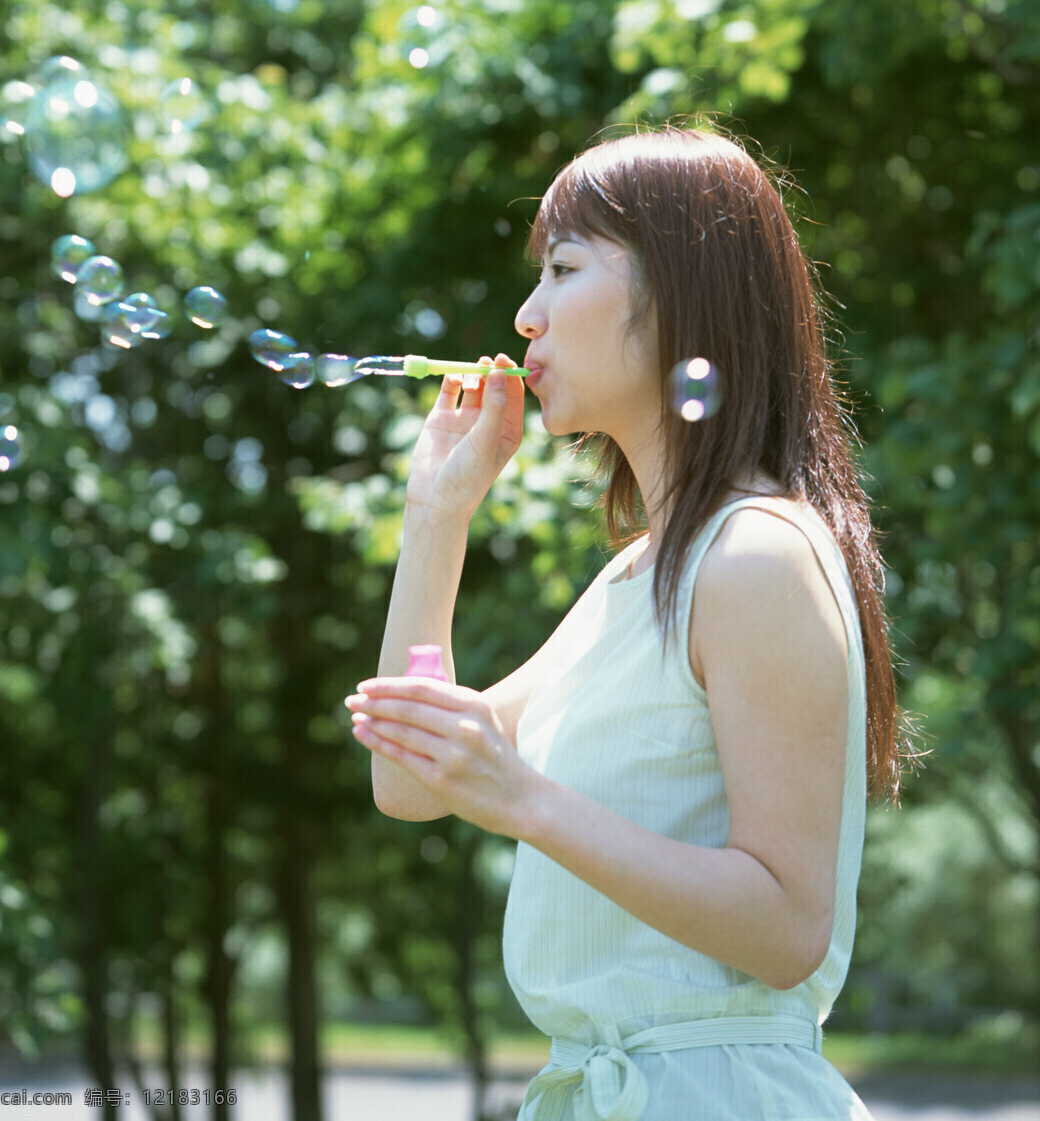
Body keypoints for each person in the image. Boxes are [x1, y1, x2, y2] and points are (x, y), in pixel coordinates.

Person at [345, 127, 911, 1121]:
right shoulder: (640, 574)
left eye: (563, 268)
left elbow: (788, 925)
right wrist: (436, 516)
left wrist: (524, 800)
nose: (526, 317)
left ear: (684, 289)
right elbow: (409, 773)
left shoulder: (757, 555)